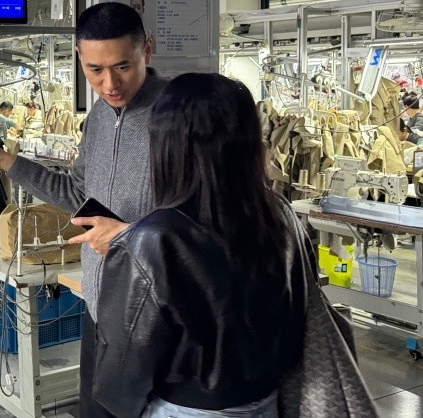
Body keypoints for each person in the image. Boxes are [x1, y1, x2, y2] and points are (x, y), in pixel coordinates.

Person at [0, 2, 167, 416]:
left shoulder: (179, 116)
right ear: (79, 59)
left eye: (123, 66)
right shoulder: (100, 117)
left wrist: (130, 237)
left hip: (158, 314)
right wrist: (7, 162)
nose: (109, 83)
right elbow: (77, 195)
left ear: (147, 49)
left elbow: (211, 223)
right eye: (95, 70)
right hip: (100, 305)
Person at [93, 74, 306, 417]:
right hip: (268, 404)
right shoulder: (280, 216)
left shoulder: (151, 241)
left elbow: (122, 371)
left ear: (167, 145)